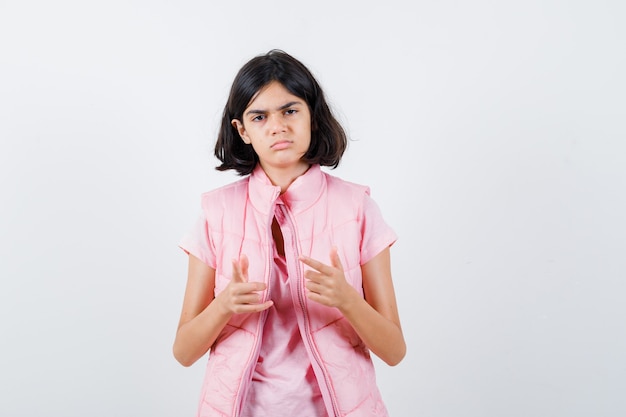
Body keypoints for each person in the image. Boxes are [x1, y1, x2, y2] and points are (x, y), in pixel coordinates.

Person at [173, 49, 406, 417]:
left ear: (313, 115)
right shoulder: (215, 213)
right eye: (259, 116)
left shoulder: (357, 207)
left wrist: (347, 299)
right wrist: (224, 306)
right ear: (242, 130)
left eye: (291, 110)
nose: (278, 126)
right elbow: (184, 351)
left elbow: (394, 350)